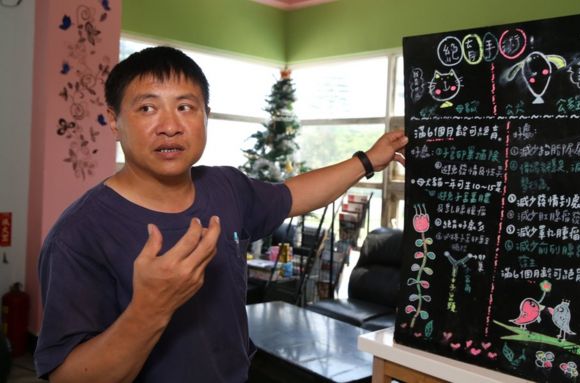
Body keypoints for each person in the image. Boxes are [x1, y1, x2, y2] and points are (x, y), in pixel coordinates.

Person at [34, 46, 407, 383]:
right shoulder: (77, 235)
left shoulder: (224, 186)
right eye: (147, 108)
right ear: (114, 121)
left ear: (205, 116)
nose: (170, 126)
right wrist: (149, 309)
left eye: (185, 107)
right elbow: (67, 375)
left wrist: (367, 161)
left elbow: (291, 195)